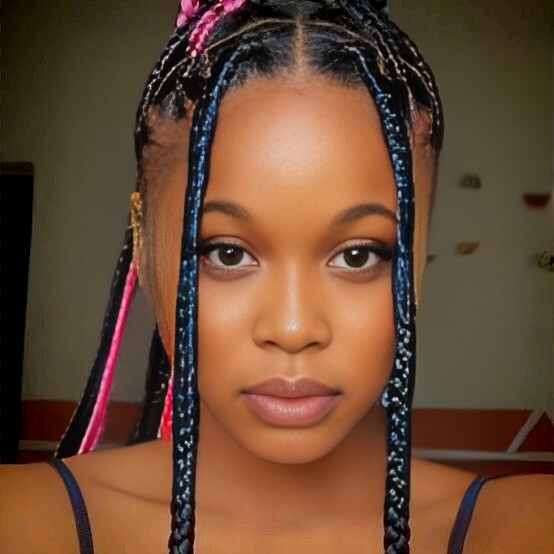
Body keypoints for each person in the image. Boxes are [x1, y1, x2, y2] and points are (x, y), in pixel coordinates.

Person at [1, 1, 552, 552]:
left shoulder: (525, 528)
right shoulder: (22, 521)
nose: (292, 329)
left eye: (358, 256)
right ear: (143, 249)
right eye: (228, 254)